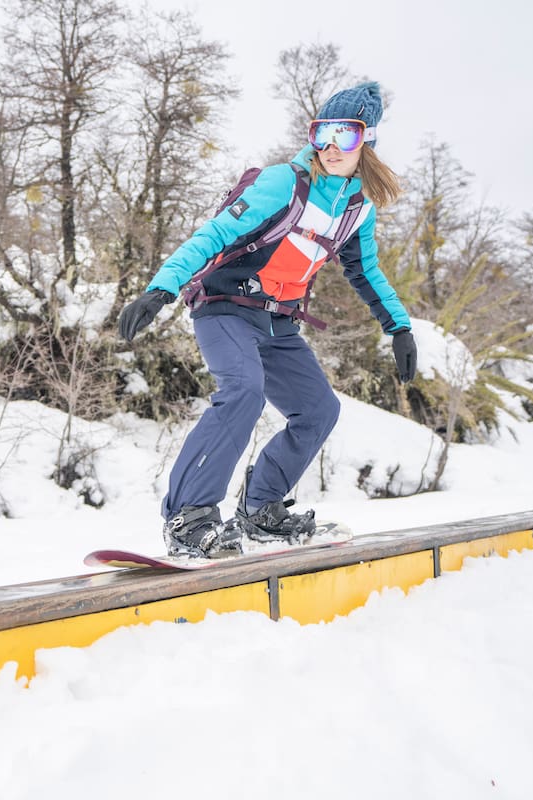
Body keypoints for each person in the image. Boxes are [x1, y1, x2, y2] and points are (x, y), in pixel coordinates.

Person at [117, 81, 417, 559]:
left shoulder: (359, 207)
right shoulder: (284, 182)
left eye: (348, 135)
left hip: (278, 322)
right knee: (243, 390)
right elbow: (214, 234)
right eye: (323, 134)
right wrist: (162, 287)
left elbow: (367, 272)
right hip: (224, 306)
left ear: (369, 141)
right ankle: (189, 517)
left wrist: (399, 328)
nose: (333, 147)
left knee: (318, 409)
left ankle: (262, 511)